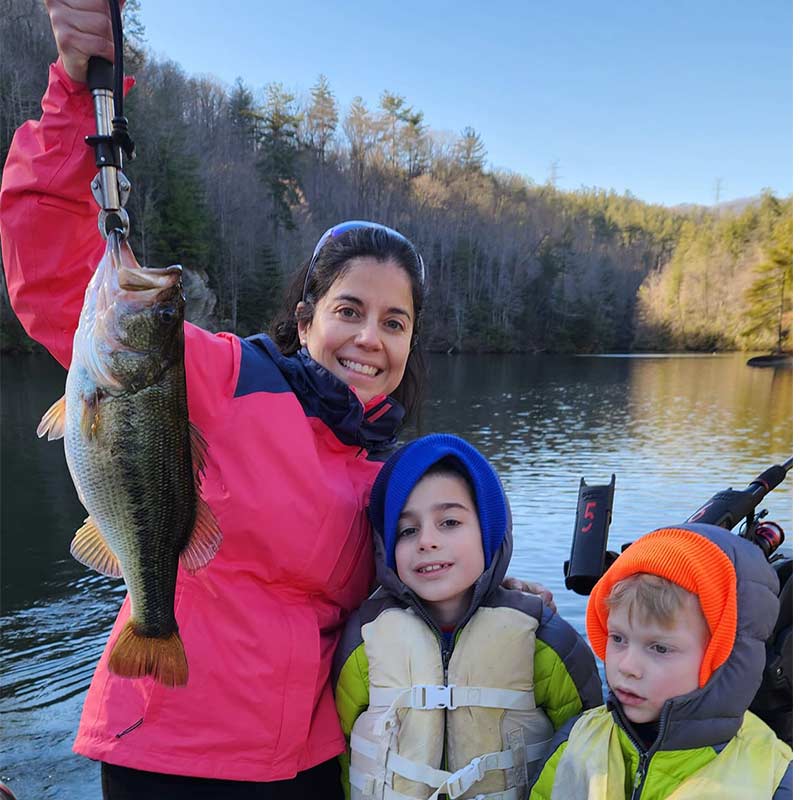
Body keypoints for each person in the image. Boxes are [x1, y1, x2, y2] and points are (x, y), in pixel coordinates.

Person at [0, 3, 554, 797]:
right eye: (349, 312)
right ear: (304, 321)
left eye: (394, 323)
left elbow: (415, 588)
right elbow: (53, 278)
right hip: (169, 743)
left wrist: (493, 587)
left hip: (309, 763)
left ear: (410, 345)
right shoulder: (220, 378)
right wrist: (74, 86)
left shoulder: (388, 476)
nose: (370, 338)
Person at [333, 434, 602, 799]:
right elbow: (343, 747)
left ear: (489, 533)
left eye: (449, 523)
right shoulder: (363, 641)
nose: (427, 541)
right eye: (407, 530)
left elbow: (590, 748)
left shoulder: (546, 641)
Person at [528, 524, 793, 800]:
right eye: (618, 638)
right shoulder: (575, 739)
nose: (627, 666)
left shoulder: (775, 779)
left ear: (723, 655)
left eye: (660, 648)